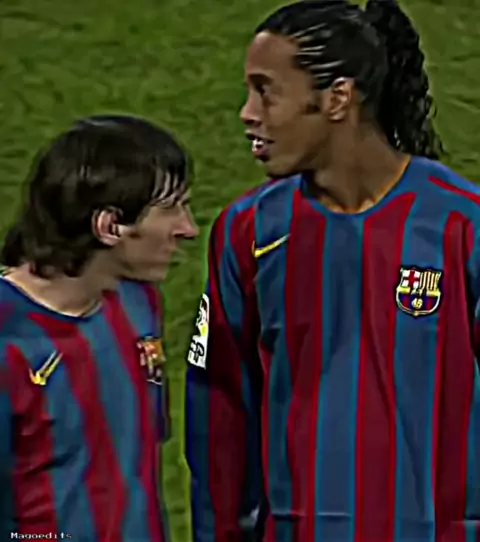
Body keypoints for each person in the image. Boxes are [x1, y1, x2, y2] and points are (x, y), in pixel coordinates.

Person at [185, 1, 480, 541]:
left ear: (337, 98)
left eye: (266, 92)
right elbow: (220, 407)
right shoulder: (249, 231)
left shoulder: (463, 226)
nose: (248, 113)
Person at [0, 114, 198, 541]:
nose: (188, 229)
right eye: (170, 210)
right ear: (109, 226)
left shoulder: (139, 304)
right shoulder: (8, 345)